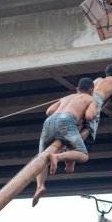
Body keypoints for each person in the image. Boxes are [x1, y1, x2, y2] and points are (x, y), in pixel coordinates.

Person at [32, 77, 98, 207]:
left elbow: (49, 111)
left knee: (41, 157)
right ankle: (58, 157)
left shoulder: (66, 97)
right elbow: (90, 116)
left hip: (49, 122)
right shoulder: (91, 99)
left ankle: (40, 186)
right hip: (67, 121)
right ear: (91, 90)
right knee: (83, 155)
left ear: (77, 89)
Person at [80, 64, 112, 145]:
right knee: (90, 127)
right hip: (95, 100)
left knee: (81, 121)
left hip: (85, 98)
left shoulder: (98, 80)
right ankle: (75, 143)